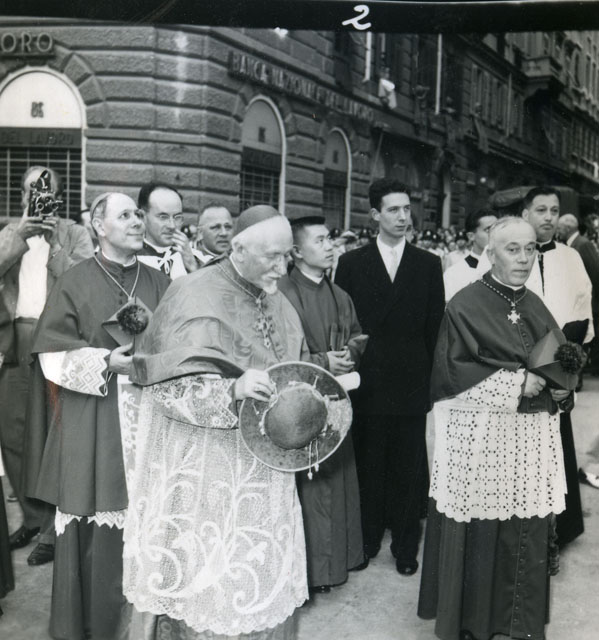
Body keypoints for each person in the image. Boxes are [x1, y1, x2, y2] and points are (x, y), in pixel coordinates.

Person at [122, 205, 309, 640]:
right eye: (273, 257)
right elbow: (164, 388)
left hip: (264, 470)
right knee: (206, 577)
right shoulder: (191, 293)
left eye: (287, 256)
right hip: (207, 471)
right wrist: (231, 391)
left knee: (257, 573)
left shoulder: (277, 298)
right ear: (238, 250)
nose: (282, 268)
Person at [27, 192, 170, 640]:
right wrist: (105, 362)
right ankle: (92, 624)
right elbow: (50, 355)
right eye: (125, 215)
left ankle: (146, 625)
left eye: (138, 214)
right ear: (99, 226)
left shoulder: (161, 281)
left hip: (150, 415)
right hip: (94, 416)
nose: (136, 221)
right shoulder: (75, 280)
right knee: (95, 513)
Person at [418, 217, 569, 640]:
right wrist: (515, 383)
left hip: (529, 438)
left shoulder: (534, 303)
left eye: (530, 249)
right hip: (482, 440)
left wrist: (561, 388)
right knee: (482, 531)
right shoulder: (465, 304)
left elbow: (556, 357)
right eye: (512, 249)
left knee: (524, 525)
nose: (523, 258)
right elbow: (450, 373)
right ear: (491, 253)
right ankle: (473, 624)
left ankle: (517, 623)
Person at [335, 178, 445, 575]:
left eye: (406, 209)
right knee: (369, 462)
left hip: (411, 380)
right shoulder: (351, 263)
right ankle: (366, 540)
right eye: (393, 210)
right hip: (368, 381)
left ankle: (405, 545)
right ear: (375, 215)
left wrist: (431, 382)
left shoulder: (428, 263)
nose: (403, 217)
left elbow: (435, 328)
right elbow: (343, 325)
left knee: (408, 466)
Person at [0, 165, 94, 567]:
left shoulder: (74, 233)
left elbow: (85, 282)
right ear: (22, 196)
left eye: (46, 192)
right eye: (30, 192)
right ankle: (34, 519)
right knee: (13, 435)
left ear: (58, 197)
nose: (37, 199)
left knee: (57, 434)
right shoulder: (9, 232)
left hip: (59, 341)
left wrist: (54, 244)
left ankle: (56, 528)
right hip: (17, 339)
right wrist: (18, 237)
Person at [278, 216, 365, 593]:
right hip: (297, 408)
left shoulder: (339, 294)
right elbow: (280, 354)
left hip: (335, 399)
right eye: (320, 240)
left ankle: (336, 563)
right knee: (310, 487)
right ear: (296, 251)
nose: (330, 246)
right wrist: (322, 361)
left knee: (335, 478)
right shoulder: (281, 294)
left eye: (330, 239)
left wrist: (349, 354)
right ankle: (311, 572)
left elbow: (358, 334)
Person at [521, 186, 593, 546]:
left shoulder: (571, 258)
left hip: (558, 368)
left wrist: (566, 370)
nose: (548, 217)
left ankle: (557, 532)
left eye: (554, 210)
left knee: (556, 448)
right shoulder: (511, 253)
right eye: (541, 210)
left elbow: (581, 314)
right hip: (519, 368)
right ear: (525, 214)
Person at [137, 182, 199, 278]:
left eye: (177, 217)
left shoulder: (196, 259)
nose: (172, 226)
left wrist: (193, 267)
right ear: (142, 217)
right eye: (163, 217)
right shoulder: (131, 259)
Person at [443, 209, 497, 301]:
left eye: (498, 229)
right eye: (488, 230)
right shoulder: (454, 274)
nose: (495, 234)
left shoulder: (509, 268)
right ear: (471, 236)